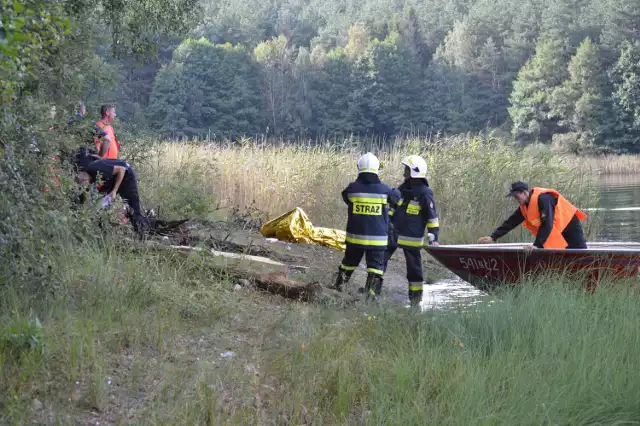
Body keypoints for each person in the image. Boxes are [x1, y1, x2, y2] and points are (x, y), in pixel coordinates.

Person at [332, 153, 396, 302]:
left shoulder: (352, 189)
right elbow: (396, 199)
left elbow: (346, 198)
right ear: (377, 169)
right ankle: (371, 297)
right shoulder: (385, 190)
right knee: (375, 268)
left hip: (355, 239)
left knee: (348, 263)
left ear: (359, 168)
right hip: (377, 241)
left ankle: (339, 288)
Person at [383, 155, 440, 308]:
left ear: (415, 172)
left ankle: (415, 300)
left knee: (414, 269)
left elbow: (432, 217)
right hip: (394, 232)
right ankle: (372, 290)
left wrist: (434, 237)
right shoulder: (403, 188)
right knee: (380, 260)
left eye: (407, 169)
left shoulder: (425, 192)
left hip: (412, 236)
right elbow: (393, 207)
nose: (404, 172)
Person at [478, 181, 588, 250]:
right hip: (558, 230)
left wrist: (536, 246)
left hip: (570, 226)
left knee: (579, 254)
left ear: (525, 192)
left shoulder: (543, 199)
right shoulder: (525, 206)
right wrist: (493, 237)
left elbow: (547, 224)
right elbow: (511, 222)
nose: (516, 200)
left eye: (517, 197)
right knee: (559, 255)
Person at [74, 150, 147, 233]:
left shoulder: (96, 170)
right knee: (101, 202)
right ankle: (103, 228)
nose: (86, 187)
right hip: (112, 178)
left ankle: (142, 232)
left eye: (85, 185)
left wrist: (114, 191)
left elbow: (121, 170)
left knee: (132, 206)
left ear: (85, 180)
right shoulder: (89, 172)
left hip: (126, 175)